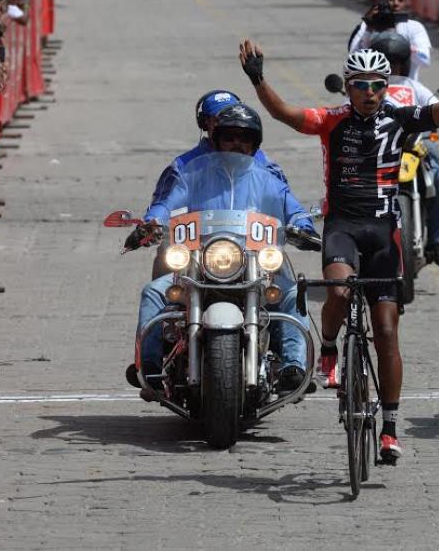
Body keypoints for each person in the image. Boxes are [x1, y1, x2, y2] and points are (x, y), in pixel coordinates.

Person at [238, 34, 439, 462]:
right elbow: (288, 116)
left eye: (377, 85)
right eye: (361, 85)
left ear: (387, 87)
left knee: (386, 330)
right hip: (343, 228)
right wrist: (258, 81)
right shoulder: (332, 121)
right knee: (339, 291)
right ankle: (328, 348)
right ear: (347, 87)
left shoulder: (403, 119)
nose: (369, 93)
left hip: (384, 232)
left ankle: (388, 426)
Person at [129, 104, 314, 394]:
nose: (236, 144)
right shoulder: (193, 175)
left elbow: (292, 206)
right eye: (229, 137)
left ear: (255, 144)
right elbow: (166, 203)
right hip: (200, 262)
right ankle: (149, 368)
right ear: (216, 140)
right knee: (153, 292)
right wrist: (153, 222)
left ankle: (294, 367)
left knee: (291, 293)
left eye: (244, 138)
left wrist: (303, 226)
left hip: (253, 263)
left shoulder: (267, 178)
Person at [369, 31, 439, 266]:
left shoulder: (414, 86)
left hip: (415, 143)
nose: (392, 68)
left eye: (395, 62)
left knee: (438, 176)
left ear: (405, 63)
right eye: (386, 62)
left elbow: (437, 107)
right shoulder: (368, 87)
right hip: (378, 146)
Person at [349, 0, 432, 81]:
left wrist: (397, 38)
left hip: (405, 90)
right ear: (380, 0)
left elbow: (425, 61)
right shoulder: (366, 27)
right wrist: (369, 30)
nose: (396, 3)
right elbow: (353, 59)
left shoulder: (415, 27)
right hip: (374, 89)